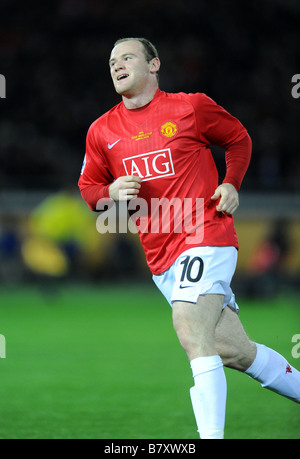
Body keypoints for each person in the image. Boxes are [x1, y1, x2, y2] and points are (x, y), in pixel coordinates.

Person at [78, 37, 300, 439]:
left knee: (188, 328)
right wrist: (108, 193)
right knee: (234, 350)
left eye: (127, 57)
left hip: (205, 234)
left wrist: (231, 183)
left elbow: (238, 138)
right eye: (112, 60)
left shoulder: (190, 107)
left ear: (154, 64)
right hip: (160, 255)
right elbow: (89, 187)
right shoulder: (101, 131)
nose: (117, 65)